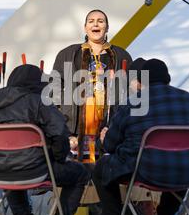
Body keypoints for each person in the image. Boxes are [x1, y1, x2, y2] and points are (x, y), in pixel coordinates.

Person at [92, 58, 189, 215]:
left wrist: (104, 139)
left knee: (101, 168)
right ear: (168, 78)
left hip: (144, 170)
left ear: (140, 82)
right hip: (184, 174)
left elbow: (110, 145)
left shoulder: (133, 103)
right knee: (180, 161)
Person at [0, 64, 91, 215]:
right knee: (80, 173)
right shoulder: (39, 101)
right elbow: (59, 133)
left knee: (12, 167)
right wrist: (59, 158)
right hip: (37, 169)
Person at [52, 9, 132, 164]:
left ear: (107, 28)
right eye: (91, 21)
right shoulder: (68, 54)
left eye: (101, 21)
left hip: (108, 126)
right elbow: (54, 86)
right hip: (76, 126)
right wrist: (63, 120)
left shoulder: (121, 55)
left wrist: (117, 124)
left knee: (104, 167)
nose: (96, 24)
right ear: (85, 28)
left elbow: (131, 92)